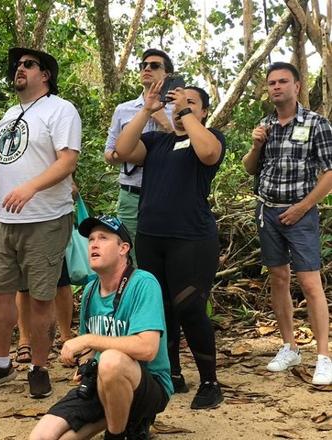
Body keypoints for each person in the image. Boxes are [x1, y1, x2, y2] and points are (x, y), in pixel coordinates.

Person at [0, 47, 81, 399]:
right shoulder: (7, 117)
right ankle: (0, 363)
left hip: (45, 218)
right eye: (17, 64)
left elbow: (67, 162)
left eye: (28, 64)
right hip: (5, 221)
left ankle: (39, 368)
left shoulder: (61, 110)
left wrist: (30, 187)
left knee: (42, 298)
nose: (20, 68)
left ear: (45, 75)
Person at [115, 82, 225, 409]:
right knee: (160, 308)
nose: (181, 107)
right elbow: (122, 150)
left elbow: (207, 154)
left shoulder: (210, 138)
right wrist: (148, 110)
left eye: (192, 103)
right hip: (151, 237)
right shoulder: (157, 141)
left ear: (203, 112)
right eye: (178, 102)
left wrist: (186, 112)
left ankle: (209, 381)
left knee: (189, 307)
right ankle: (172, 373)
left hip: (192, 238)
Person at [30, 215, 172, 440]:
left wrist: (87, 341)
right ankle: (121, 418)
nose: (94, 244)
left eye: (103, 238)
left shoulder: (143, 283)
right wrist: (85, 365)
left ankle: (117, 435)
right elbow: (91, 353)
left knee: (112, 361)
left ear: (123, 248)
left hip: (147, 385)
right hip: (102, 384)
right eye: (91, 239)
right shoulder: (89, 290)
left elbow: (147, 348)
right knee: (41, 437)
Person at [242, 62, 332, 385]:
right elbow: (251, 169)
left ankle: (323, 356)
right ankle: (289, 347)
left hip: (301, 213)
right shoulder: (265, 125)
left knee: (310, 283)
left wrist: (303, 207)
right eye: (271, 82)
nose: (276, 87)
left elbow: (329, 174)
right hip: (268, 212)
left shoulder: (316, 124)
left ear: (296, 86)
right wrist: (256, 145)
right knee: (278, 278)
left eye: (283, 81)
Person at [103, 49, 174, 261]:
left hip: (166, 195)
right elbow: (108, 152)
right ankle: (132, 294)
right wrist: (122, 155)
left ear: (167, 74)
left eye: (154, 66)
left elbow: (186, 150)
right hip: (130, 194)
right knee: (127, 255)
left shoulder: (180, 108)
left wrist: (163, 120)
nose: (146, 69)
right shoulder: (123, 110)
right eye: (143, 65)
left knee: (163, 256)